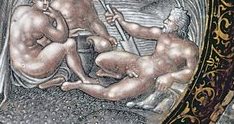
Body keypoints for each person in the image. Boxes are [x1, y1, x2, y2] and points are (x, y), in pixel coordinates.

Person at [71, 6, 199, 104]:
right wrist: (121, 21)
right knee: (100, 59)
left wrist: (171, 76)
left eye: (169, 20)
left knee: (110, 94)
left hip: (146, 78)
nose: (165, 21)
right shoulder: (162, 34)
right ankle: (119, 74)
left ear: (176, 26)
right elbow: (138, 31)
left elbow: (192, 71)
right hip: (137, 62)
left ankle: (78, 85)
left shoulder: (189, 49)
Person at [7, 0, 92, 89]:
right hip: (32, 68)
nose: (45, 3)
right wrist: (59, 17)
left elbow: (38, 36)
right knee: (69, 44)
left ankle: (56, 79)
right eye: (41, 0)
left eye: (47, 0)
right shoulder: (40, 19)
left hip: (16, 66)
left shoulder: (19, 10)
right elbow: (62, 38)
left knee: (47, 43)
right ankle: (84, 79)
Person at [51, 0, 116, 53]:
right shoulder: (55, 5)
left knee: (105, 45)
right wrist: (62, 36)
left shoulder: (87, 2)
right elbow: (49, 27)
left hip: (87, 37)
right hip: (67, 39)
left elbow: (94, 22)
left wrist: (107, 36)